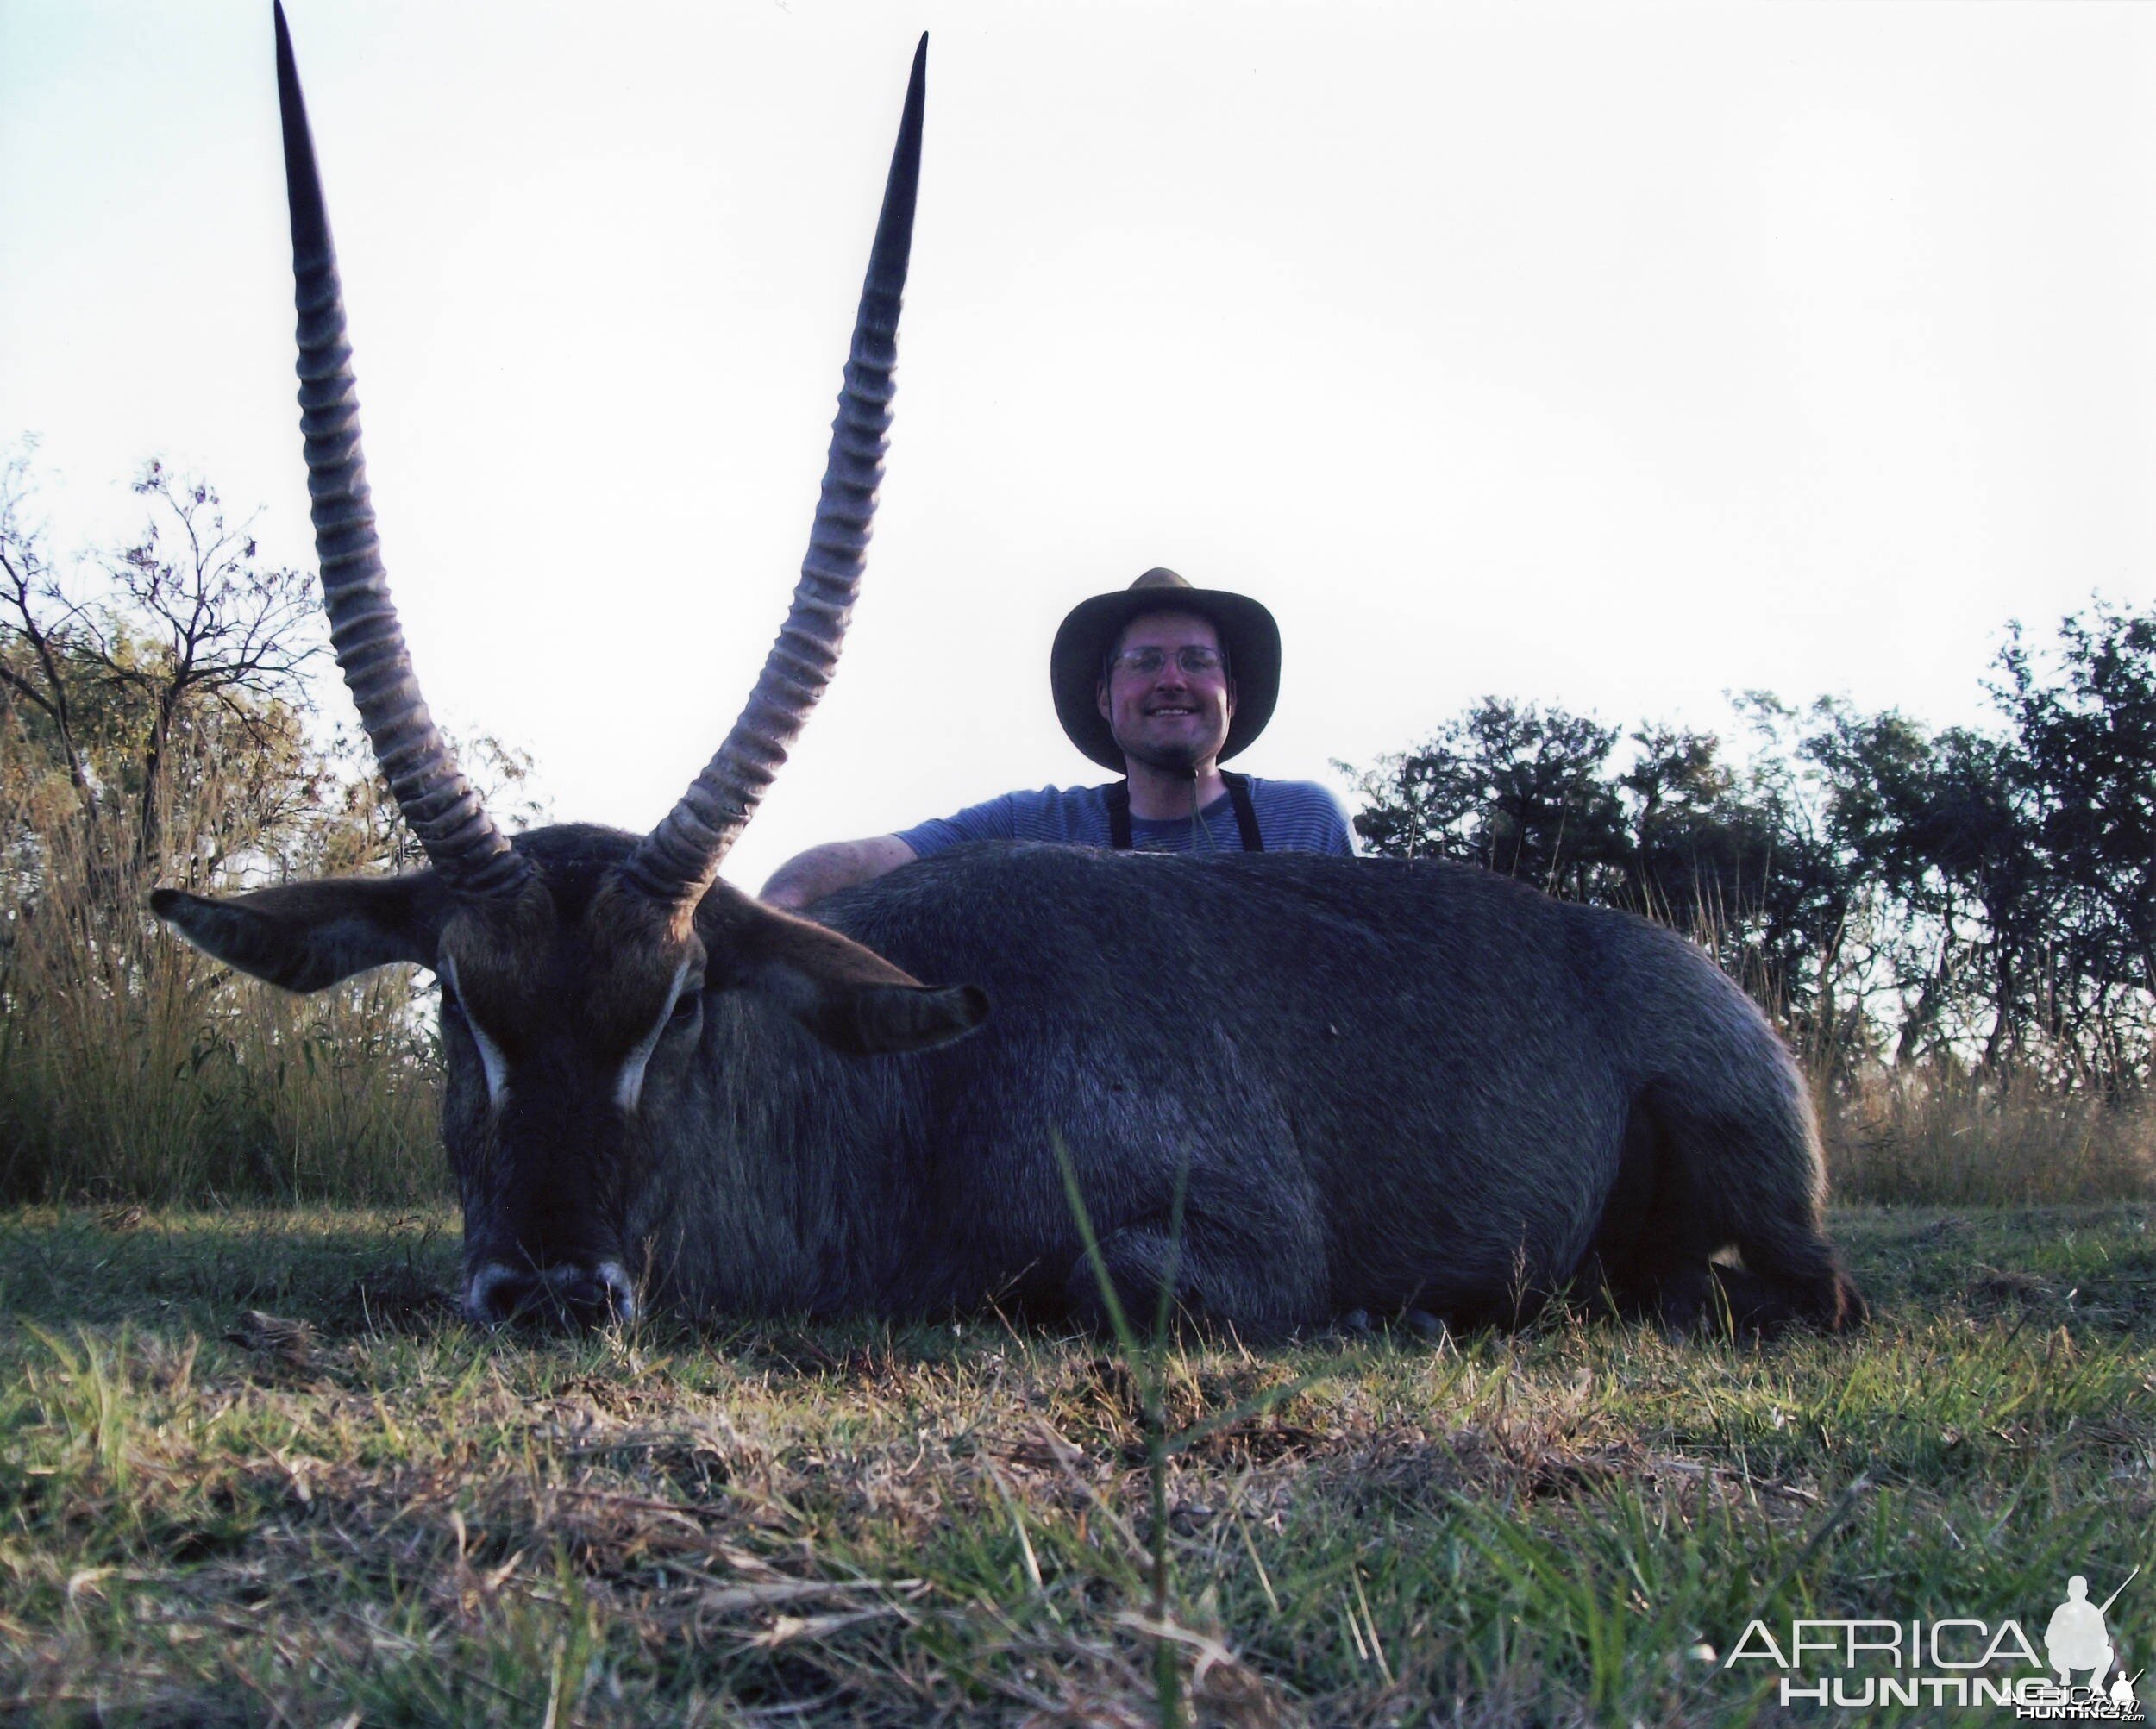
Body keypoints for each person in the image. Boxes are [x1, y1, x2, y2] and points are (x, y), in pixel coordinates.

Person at [761, 568, 1356, 909]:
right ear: (1103, 697)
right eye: (1145, 662)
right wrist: (777, 906)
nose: (1171, 680)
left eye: (1196, 661)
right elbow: (881, 858)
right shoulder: (1039, 828)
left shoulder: (1305, 822)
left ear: (1232, 693)